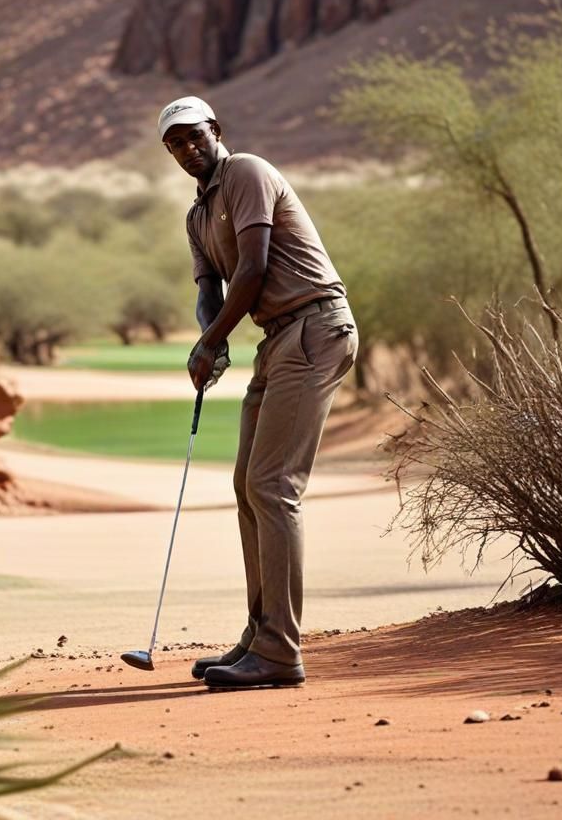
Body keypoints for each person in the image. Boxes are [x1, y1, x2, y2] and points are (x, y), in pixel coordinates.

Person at [158, 95, 358, 690]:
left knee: (274, 486)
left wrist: (211, 344)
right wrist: (208, 337)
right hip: (278, 340)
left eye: (196, 136)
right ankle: (260, 634)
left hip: (315, 324)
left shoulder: (246, 170)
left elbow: (254, 265)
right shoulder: (197, 215)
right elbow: (210, 288)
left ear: (215, 130)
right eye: (176, 143)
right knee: (248, 485)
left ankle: (279, 651)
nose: (189, 148)